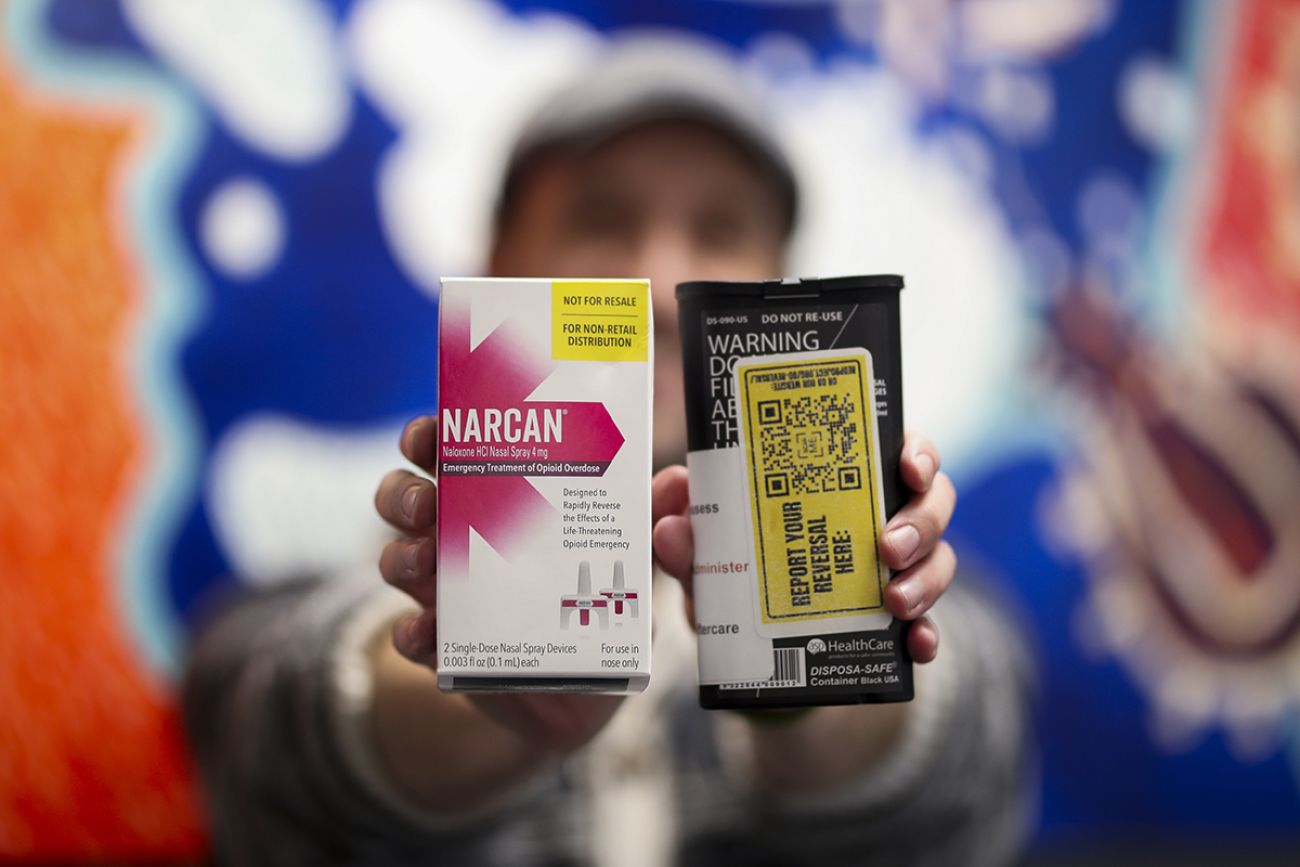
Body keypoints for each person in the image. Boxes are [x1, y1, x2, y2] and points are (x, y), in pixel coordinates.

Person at [183, 39, 1032, 867]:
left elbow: (970, 781)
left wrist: (811, 671)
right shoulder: (298, 589)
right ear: (498, 264)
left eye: (721, 229)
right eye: (601, 219)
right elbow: (267, 754)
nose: (661, 284)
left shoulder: (922, 596)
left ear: (780, 283)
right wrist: (491, 684)